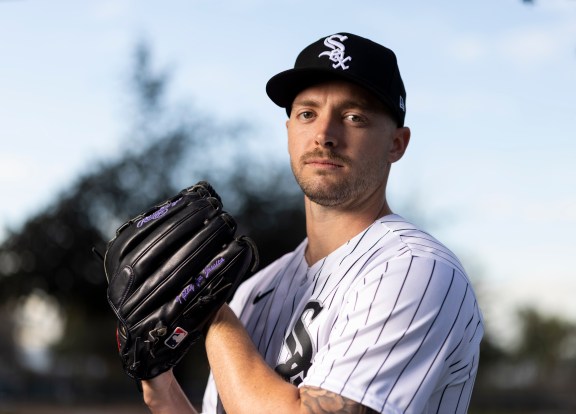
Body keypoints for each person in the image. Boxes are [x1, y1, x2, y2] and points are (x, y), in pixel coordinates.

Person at [142, 32, 484, 414]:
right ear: (289, 132)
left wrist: (209, 310)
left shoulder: (415, 270)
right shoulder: (255, 289)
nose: (324, 135)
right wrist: (162, 390)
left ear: (396, 144)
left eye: (354, 117)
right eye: (307, 113)